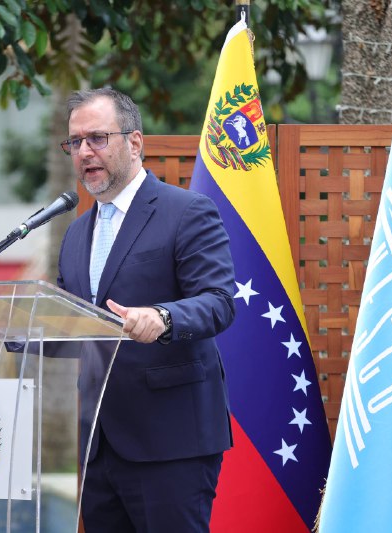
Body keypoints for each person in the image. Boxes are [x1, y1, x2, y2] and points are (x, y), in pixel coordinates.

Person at [57, 87, 236, 532]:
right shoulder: (76, 234)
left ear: (134, 142)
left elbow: (219, 301)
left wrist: (163, 318)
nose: (84, 151)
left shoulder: (186, 211)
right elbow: (71, 324)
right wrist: (12, 333)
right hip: (99, 445)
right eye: (75, 142)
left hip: (171, 442)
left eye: (97, 138)